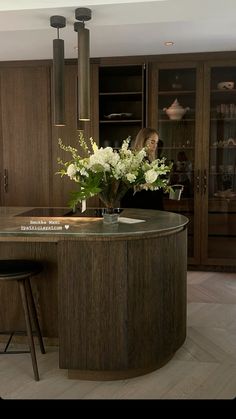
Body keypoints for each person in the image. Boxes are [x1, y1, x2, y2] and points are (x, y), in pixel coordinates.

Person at [121, 127, 164, 210]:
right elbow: (127, 190)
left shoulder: (151, 162)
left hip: (150, 209)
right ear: (143, 141)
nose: (155, 146)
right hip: (138, 209)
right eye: (152, 142)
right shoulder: (132, 161)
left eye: (156, 143)